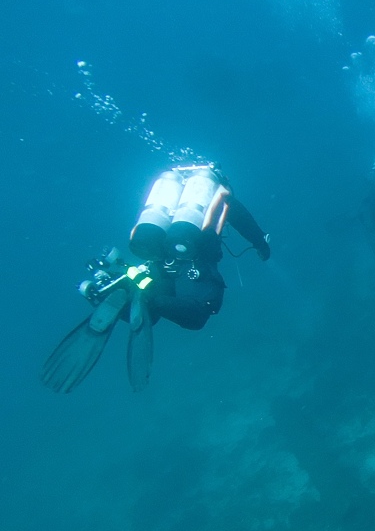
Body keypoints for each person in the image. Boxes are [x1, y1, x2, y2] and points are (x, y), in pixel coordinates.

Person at [41, 163, 270, 393]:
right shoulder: (220, 193)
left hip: (158, 266)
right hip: (193, 263)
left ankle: (114, 290)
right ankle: (148, 298)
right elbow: (242, 219)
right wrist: (261, 243)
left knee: (151, 307)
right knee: (200, 312)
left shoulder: (167, 194)